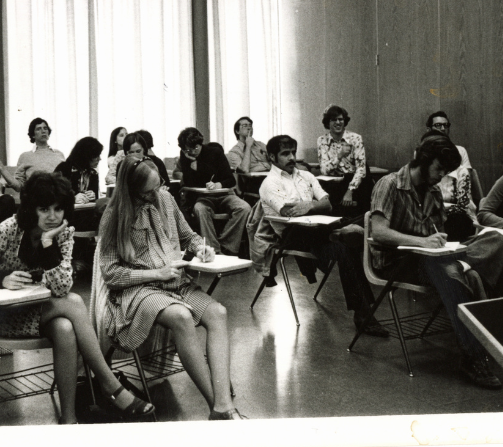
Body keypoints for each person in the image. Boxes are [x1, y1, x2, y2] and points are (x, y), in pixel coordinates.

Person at [0, 172, 154, 424]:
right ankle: (110, 384)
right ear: (31, 208)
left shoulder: (63, 234)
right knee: (75, 302)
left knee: (66, 328)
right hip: (5, 315)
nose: (52, 216)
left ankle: (69, 421)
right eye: (44, 209)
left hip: (46, 310)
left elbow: (61, 286)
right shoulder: (6, 230)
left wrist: (47, 244)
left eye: (58, 209)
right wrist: (0, 279)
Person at [98, 155, 246, 420]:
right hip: (139, 290)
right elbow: (111, 274)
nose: (156, 194)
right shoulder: (113, 216)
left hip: (174, 283)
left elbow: (188, 236)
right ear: (131, 191)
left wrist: (201, 248)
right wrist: (157, 272)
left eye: (159, 186)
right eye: (148, 192)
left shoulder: (165, 198)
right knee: (181, 316)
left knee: (218, 313)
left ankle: (223, 405)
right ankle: (221, 408)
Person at [369, 133, 503, 389]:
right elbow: (378, 231)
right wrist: (422, 242)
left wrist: (439, 240)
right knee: (462, 274)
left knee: (497, 240)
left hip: (431, 258)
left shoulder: (433, 190)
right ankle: (473, 357)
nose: (442, 176)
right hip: (399, 260)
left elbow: (436, 230)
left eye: (446, 171)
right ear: (424, 160)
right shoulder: (388, 184)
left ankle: (463, 265)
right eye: (439, 168)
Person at [249, 135, 387, 336]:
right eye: (285, 153)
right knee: (343, 226)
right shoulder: (270, 183)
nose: (291, 157)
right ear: (272, 157)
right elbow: (288, 212)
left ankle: (363, 314)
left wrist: (309, 205)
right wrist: (315, 205)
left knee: (345, 248)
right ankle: (342, 229)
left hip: (317, 230)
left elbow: (328, 203)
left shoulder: (306, 176)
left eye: (293, 152)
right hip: (292, 233)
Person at [177, 127, 250, 255]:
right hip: (203, 197)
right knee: (200, 209)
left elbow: (230, 180)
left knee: (244, 208)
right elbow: (188, 183)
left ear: (201, 144)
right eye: (188, 150)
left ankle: (226, 246)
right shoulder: (186, 156)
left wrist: (218, 184)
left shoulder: (215, 152)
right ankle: (214, 250)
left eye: (196, 148)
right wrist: (191, 163)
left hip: (223, 194)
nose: (193, 152)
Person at [420, 130, 477, 242]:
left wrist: (438, 208)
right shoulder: (423, 171)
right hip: (432, 218)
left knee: (458, 220)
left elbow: (462, 207)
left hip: (457, 218)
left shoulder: (461, 171)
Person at [317, 105, 372, 216]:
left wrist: (350, 190)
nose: (338, 122)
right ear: (328, 122)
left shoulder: (356, 138)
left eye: (340, 119)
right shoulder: (322, 140)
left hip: (355, 182)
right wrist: (339, 156)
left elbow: (361, 169)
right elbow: (324, 170)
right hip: (333, 183)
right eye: (334, 120)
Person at [54, 136, 109, 230]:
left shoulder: (93, 173)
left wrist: (93, 196)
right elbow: (54, 196)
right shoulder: (64, 169)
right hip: (68, 217)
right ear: (86, 156)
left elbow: (95, 201)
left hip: (86, 216)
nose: (99, 159)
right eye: (96, 156)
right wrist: (73, 198)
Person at [0, 118, 66, 192]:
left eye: (45, 128)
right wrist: (2, 169)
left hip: (59, 196)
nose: (43, 131)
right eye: (38, 129)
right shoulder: (25, 156)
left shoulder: (59, 154)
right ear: (33, 135)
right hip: (36, 197)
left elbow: (66, 181)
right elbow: (19, 186)